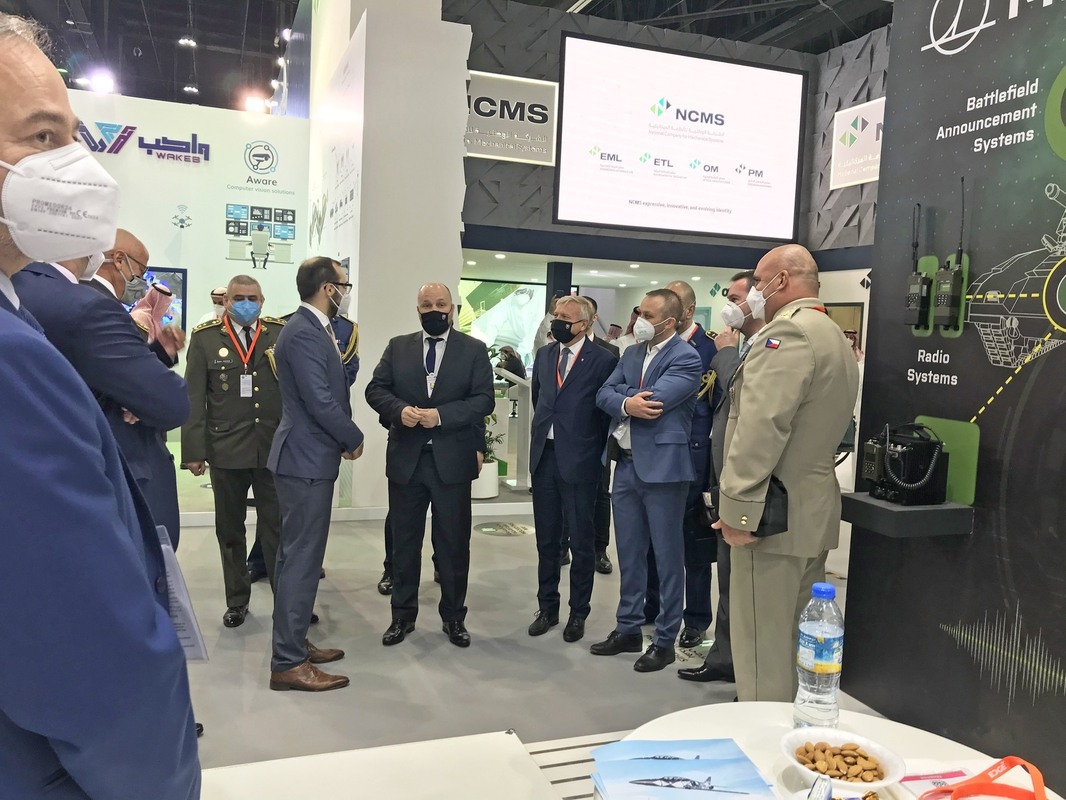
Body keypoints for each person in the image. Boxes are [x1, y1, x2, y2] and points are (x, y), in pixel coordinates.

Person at [0, 13, 200, 797]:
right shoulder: (14, 358)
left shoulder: (27, 315)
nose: (73, 168)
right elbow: (85, 650)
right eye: (42, 137)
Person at [713, 245, 859, 702]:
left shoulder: (788, 333)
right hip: (809, 512)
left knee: (762, 654)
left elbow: (761, 428)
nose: (754, 291)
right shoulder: (831, 333)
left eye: (759, 281)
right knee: (795, 646)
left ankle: (763, 742)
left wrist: (738, 511)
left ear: (781, 280)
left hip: (772, 518)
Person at [15, 247, 190, 550]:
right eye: (141, 270)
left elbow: (89, 371)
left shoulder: (19, 289)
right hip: (108, 468)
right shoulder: (89, 304)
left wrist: (152, 363)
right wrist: (138, 395)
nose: (142, 280)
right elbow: (170, 402)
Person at [365, 282, 495, 648]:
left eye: (440, 304)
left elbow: (483, 400)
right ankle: (401, 617)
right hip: (407, 461)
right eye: (426, 304)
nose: (433, 310)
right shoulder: (398, 346)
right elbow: (376, 390)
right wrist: (399, 410)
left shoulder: (473, 350)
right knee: (404, 544)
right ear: (417, 309)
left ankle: (454, 617)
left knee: (453, 544)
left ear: (452, 309)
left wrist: (441, 416)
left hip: (452, 462)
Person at [267, 257, 365, 692]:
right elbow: (320, 400)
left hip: (307, 458)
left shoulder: (313, 328)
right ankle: (288, 662)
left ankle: (293, 643)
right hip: (305, 460)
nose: (346, 292)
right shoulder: (305, 331)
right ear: (328, 288)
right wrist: (353, 437)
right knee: (302, 561)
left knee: (295, 558)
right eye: (344, 285)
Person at [591, 289, 702, 672]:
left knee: (668, 558)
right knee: (629, 551)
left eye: (648, 315)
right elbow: (603, 393)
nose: (640, 319)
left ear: (669, 322)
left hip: (664, 471)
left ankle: (665, 639)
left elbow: (656, 402)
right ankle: (628, 627)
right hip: (625, 466)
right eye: (639, 312)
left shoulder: (686, 357)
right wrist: (626, 402)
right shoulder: (632, 353)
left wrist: (625, 397)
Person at [182, 274, 286, 628]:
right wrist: (194, 451)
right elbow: (194, 397)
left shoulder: (278, 334)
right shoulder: (206, 338)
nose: (246, 304)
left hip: (271, 448)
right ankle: (237, 600)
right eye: (238, 297)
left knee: (277, 529)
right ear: (226, 301)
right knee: (230, 530)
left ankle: (287, 602)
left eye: (252, 298)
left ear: (262, 301)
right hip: (225, 449)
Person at [678, 270, 764, 684]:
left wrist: (726, 354)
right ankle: (725, 659)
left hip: (748, 479)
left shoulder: (761, 346)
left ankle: (744, 667)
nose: (729, 305)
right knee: (728, 575)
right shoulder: (738, 344)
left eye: (736, 297)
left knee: (747, 582)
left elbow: (746, 395)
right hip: (719, 473)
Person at [527, 296, 617, 642]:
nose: (558, 322)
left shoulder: (604, 360)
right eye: (556, 316)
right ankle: (547, 608)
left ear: (586, 324)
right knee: (547, 540)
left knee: (581, 542)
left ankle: (578, 613)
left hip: (581, 460)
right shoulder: (545, 355)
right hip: (545, 457)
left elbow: (604, 412)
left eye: (566, 318)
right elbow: (539, 399)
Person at [642, 280, 722, 649]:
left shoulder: (710, 348)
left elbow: (717, 406)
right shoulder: (649, 346)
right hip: (653, 452)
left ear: (686, 312)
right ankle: (654, 605)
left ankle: (696, 618)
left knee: (692, 540)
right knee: (653, 536)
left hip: (692, 454)